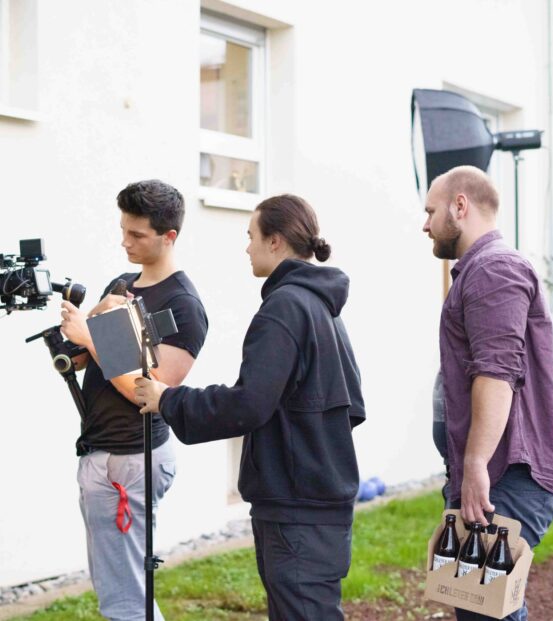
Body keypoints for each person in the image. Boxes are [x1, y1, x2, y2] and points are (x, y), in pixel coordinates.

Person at [134, 194, 366, 621]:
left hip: (297, 510)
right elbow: (352, 407)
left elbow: (249, 404)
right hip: (320, 503)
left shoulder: (285, 308)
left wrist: (168, 399)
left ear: (275, 241)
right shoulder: (323, 307)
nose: (246, 247)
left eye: (251, 236)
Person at [60, 179, 208, 621]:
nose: (124, 241)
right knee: (119, 587)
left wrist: (94, 335)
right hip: (101, 448)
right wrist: (78, 332)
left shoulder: (184, 304)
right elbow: (84, 358)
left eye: (137, 235)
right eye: (123, 230)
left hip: (134, 454)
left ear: (169, 237)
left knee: (125, 596)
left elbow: (153, 390)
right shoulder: (123, 283)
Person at [423, 165, 553, 621]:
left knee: (488, 612)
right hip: (494, 473)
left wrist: (475, 464)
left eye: (430, 211)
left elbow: (496, 374)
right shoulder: (478, 270)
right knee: (482, 609)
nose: (425, 224)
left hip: (507, 473)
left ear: (459, 206)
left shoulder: (494, 268)